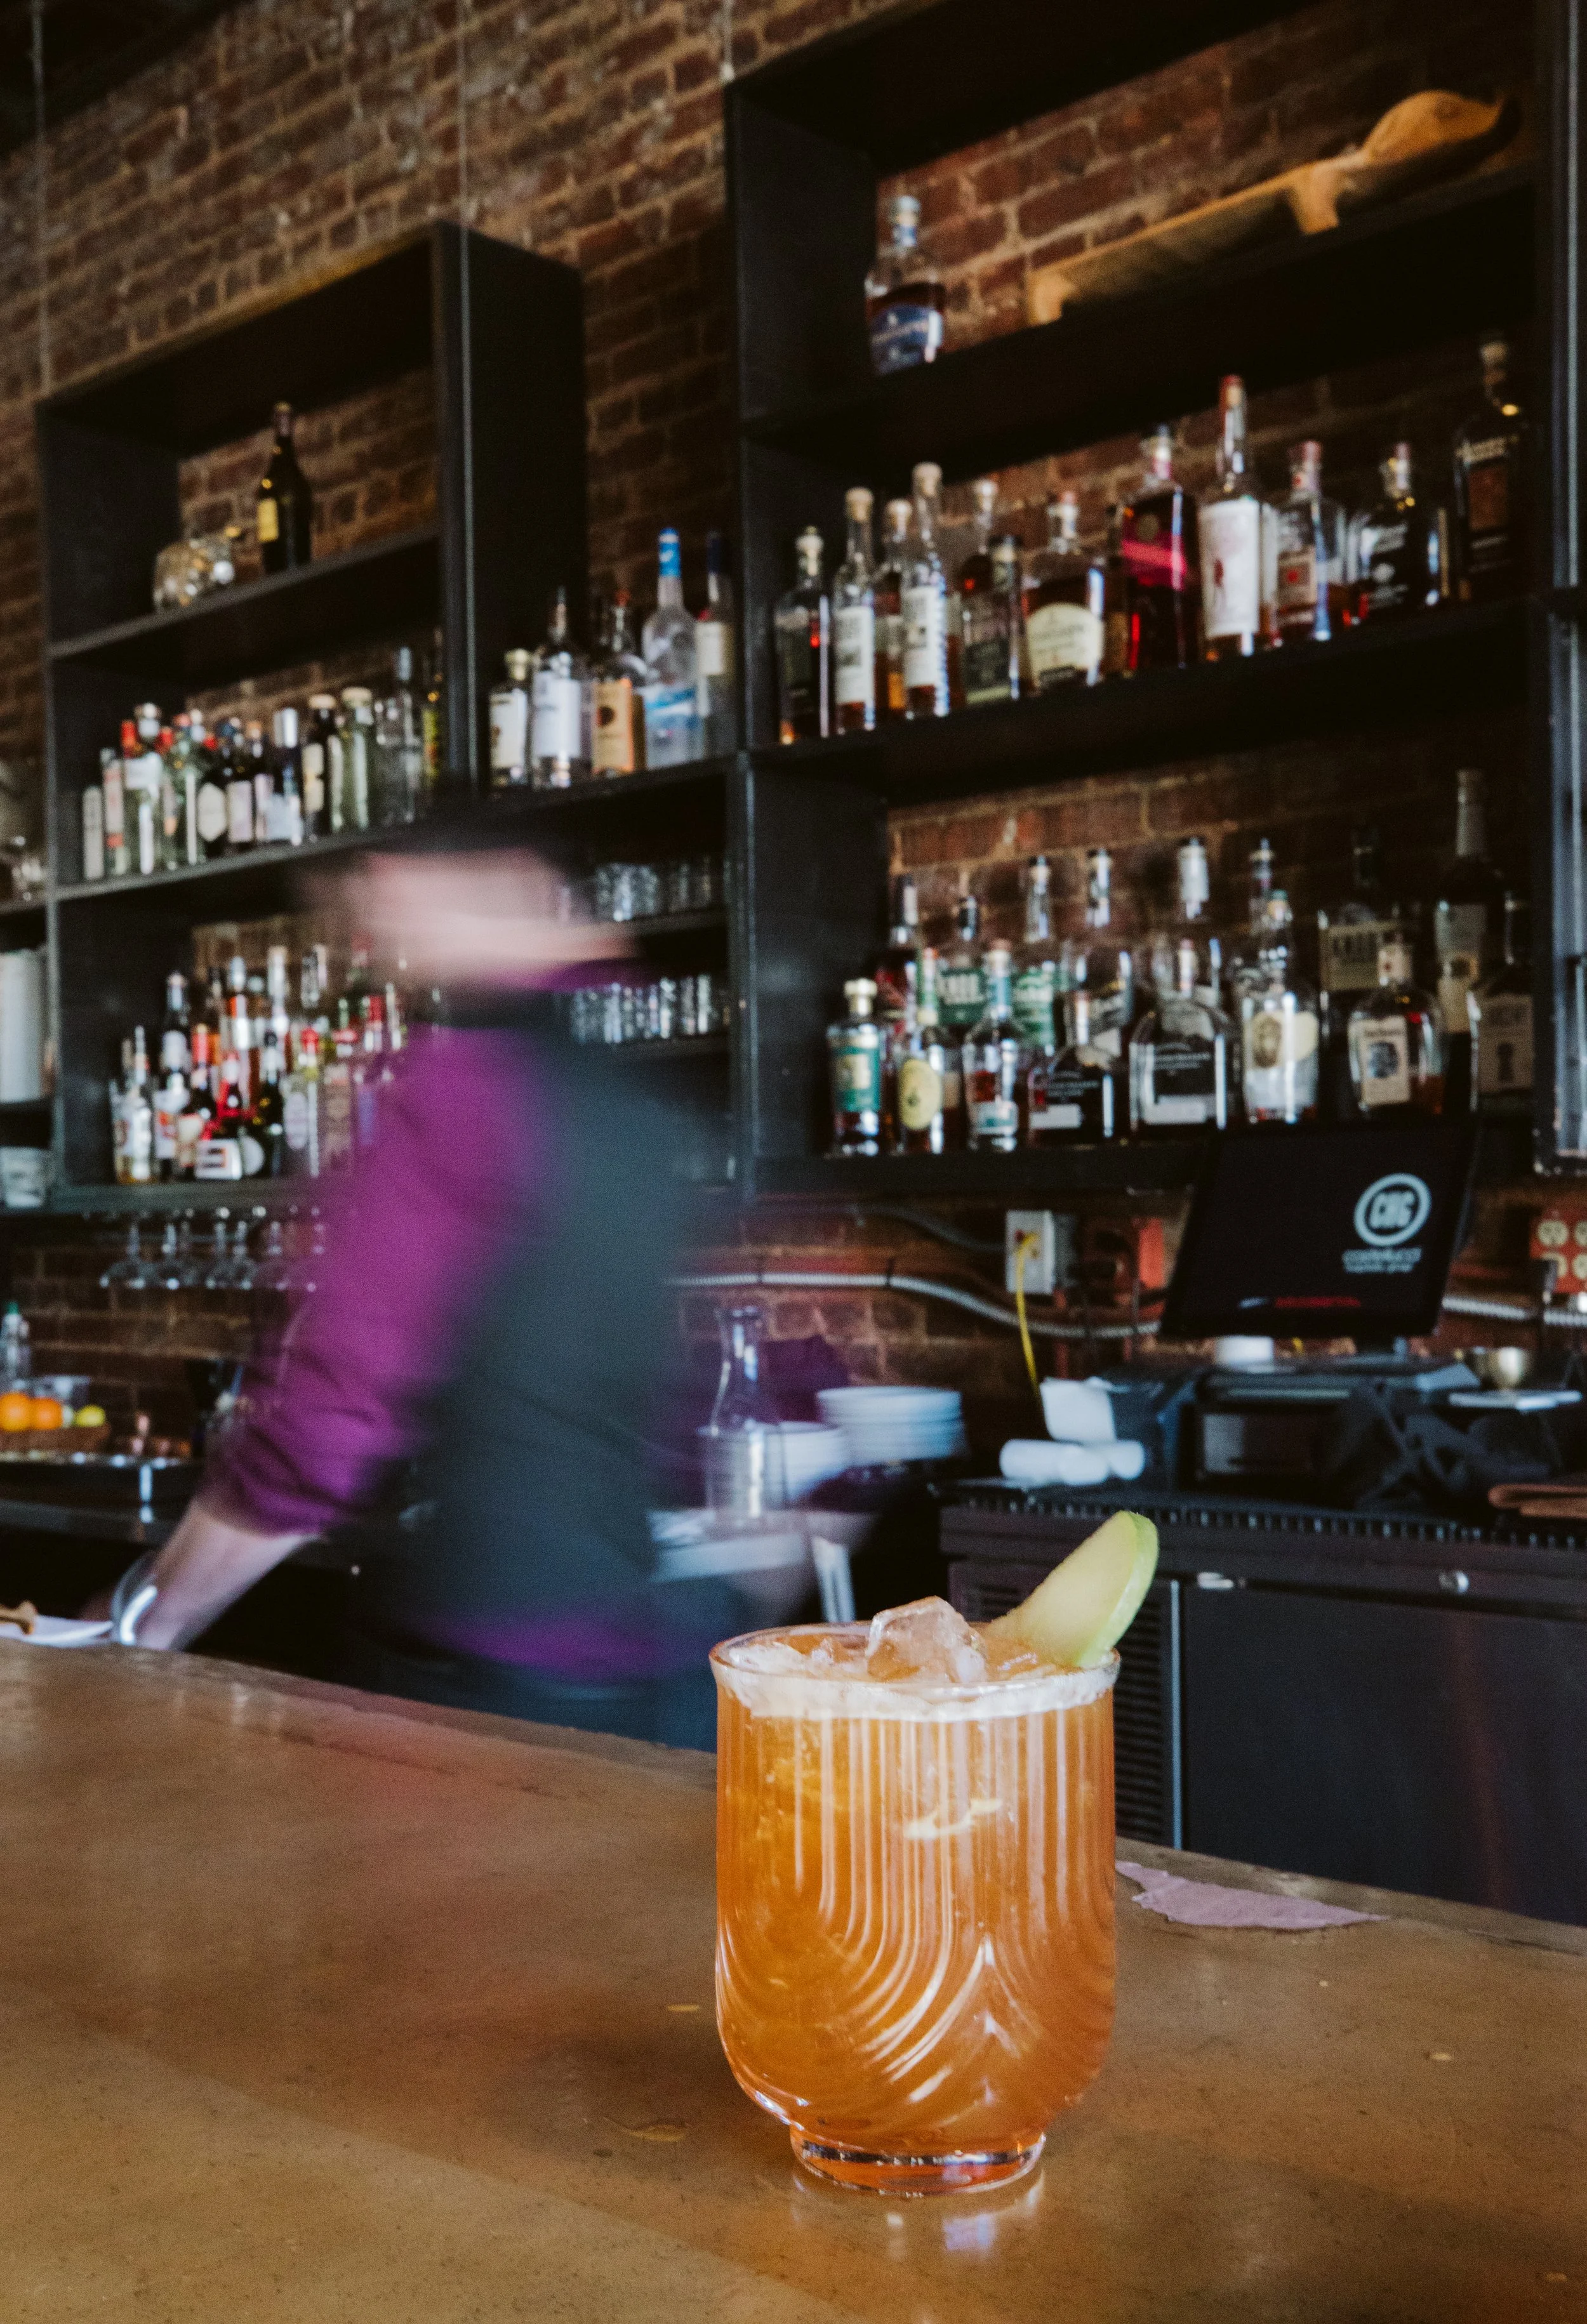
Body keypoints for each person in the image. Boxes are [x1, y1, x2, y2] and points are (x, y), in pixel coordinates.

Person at [121, 833, 734, 1745]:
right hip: (645, 1662)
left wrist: (149, 1620)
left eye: (402, 894)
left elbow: (331, 1411)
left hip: (477, 1675)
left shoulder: (451, 1091)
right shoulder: (636, 1107)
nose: (386, 919)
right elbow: (673, 1397)